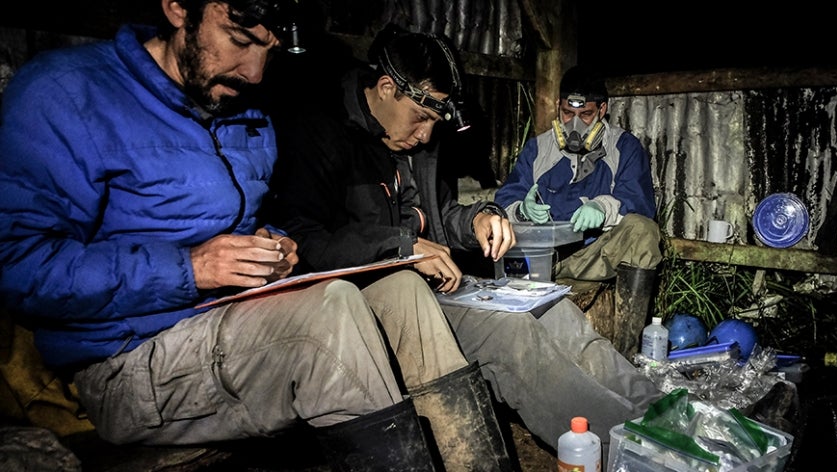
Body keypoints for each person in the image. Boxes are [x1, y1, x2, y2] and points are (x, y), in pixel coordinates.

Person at [0, 2, 513, 470]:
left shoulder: (245, 112)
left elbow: (263, 223)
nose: (254, 71)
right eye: (240, 39)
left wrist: (275, 245)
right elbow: (17, 265)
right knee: (327, 318)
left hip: (233, 322)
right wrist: (191, 268)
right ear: (179, 8)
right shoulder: (68, 94)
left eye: (267, 48)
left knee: (401, 292)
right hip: (130, 357)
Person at [261, 23, 662, 454]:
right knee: (512, 337)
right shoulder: (319, 131)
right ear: (384, 88)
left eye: (435, 121)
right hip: (373, 297)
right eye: (422, 118)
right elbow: (306, 241)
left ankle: (658, 411)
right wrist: (401, 248)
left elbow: (440, 218)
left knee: (553, 311)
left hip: (438, 286)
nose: (427, 134)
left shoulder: (417, 142)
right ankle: (637, 448)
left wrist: (478, 218)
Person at [494, 65, 664, 356]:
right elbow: (505, 196)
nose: (575, 125)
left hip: (591, 257)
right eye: (566, 114)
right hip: (542, 261)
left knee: (644, 232)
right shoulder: (539, 149)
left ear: (602, 110)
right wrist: (521, 210)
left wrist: (603, 206)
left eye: (585, 115)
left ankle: (627, 354)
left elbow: (640, 201)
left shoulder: (624, 147)